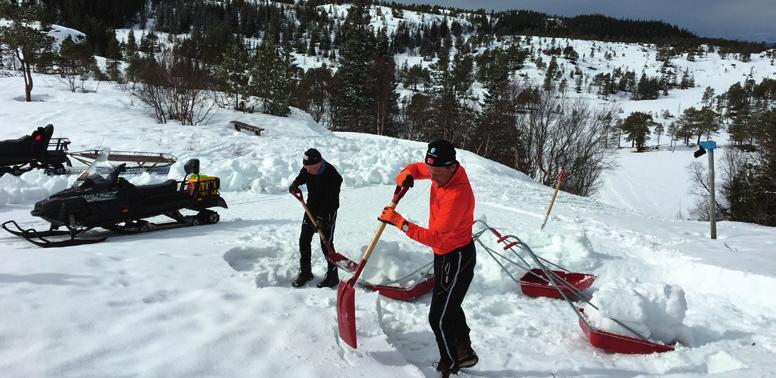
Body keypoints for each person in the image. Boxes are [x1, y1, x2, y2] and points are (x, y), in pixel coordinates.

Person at [378, 140, 478, 377]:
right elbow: (417, 168)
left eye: (438, 173)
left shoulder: (457, 194)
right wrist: (406, 174)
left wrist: (399, 222)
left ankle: (450, 363)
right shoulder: (441, 171)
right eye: (430, 171)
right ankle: (464, 351)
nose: (432, 177)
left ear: (452, 166)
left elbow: (436, 239)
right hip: (445, 255)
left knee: (438, 318)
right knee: (449, 307)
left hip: (455, 256)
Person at [288, 148, 343, 288]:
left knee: (326, 244)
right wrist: (296, 183)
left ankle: (332, 277)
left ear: (318, 164)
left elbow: (331, 201)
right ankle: (306, 272)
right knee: (304, 240)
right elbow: (302, 175)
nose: (306, 170)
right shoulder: (308, 169)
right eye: (305, 167)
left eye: (309, 168)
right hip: (311, 207)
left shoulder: (333, 176)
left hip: (328, 211)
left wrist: (321, 218)